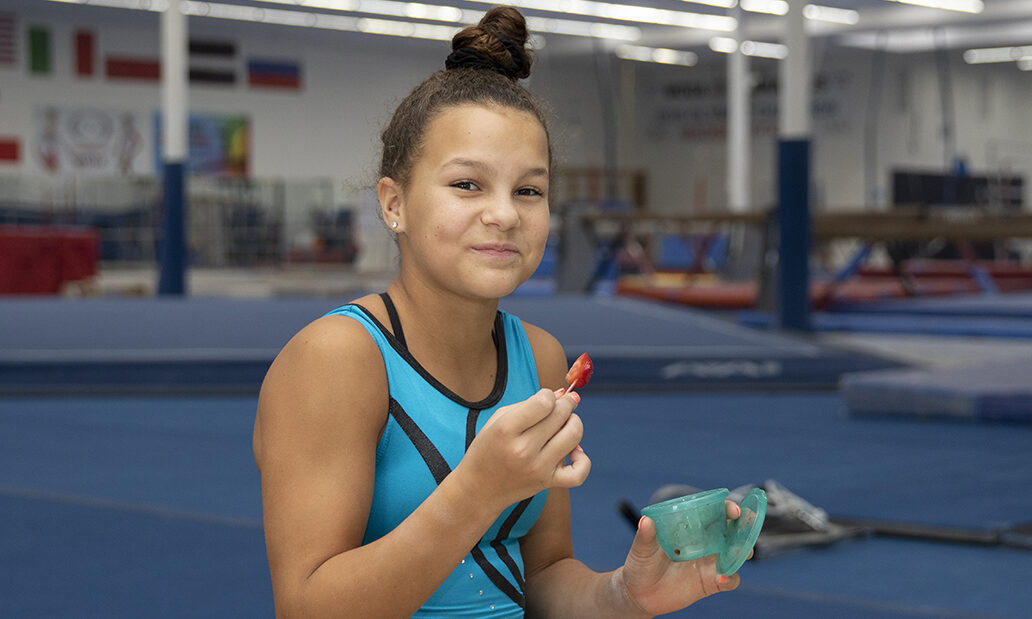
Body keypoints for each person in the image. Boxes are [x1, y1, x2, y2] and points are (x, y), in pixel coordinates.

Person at [253, 7, 745, 617]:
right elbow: (305, 609)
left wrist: (624, 595)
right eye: (467, 184)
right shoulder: (337, 359)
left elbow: (539, 577)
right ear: (393, 203)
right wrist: (475, 493)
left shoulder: (537, 356)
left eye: (529, 190)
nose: (505, 214)